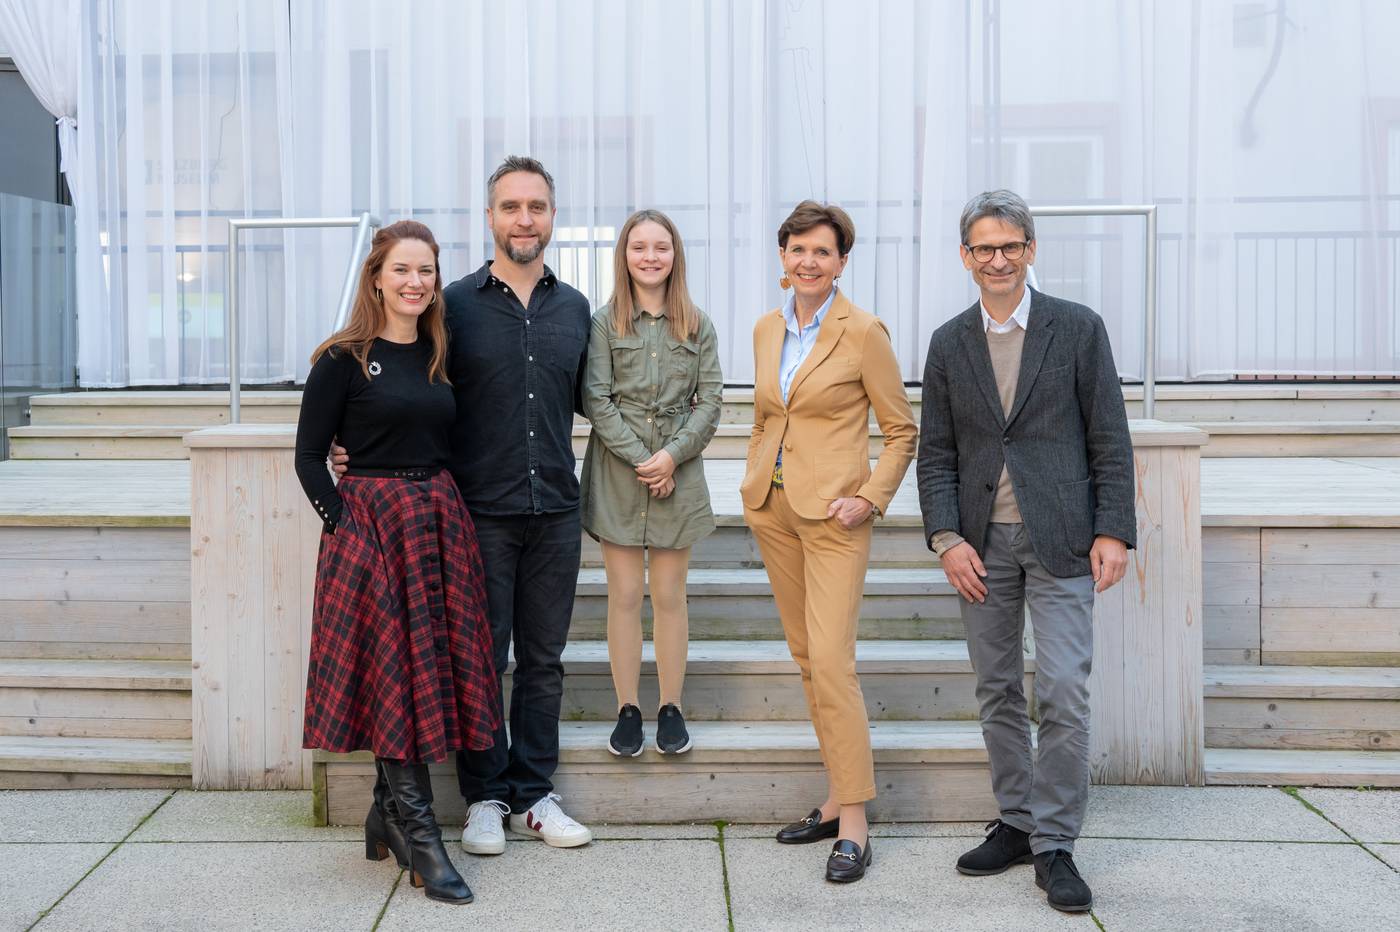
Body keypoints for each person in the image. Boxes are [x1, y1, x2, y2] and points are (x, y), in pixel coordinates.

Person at [917, 189, 1136, 913]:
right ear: (966, 258)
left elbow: (1109, 436)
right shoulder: (950, 343)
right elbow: (938, 453)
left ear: (1031, 250)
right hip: (981, 544)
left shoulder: (1076, 329)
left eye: (1010, 245)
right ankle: (1015, 822)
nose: (999, 258)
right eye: (984, 247)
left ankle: (1056, 844)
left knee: (1065, 691)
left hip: (1064, 538)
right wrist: (946, 538)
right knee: (998, 689)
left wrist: (1114, 529)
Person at [295, 220, 498, 906]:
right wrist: (343, 522)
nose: (416, 283)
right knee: (393, 676)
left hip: (436, 522)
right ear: (377, 277)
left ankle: (386, 812)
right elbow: (308, 455)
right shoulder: (342, 358)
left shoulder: (440, 353)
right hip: (371, 530)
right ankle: (419, 833)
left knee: (425, 671)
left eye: (427, 272)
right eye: (403, 270)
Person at [741, 200, 917, 883]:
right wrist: (757, 474)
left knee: (835, 664)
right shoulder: (765, 329)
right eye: (797, 249)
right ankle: (833, 796)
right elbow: (765, 414)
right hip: (774, 509)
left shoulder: (864, 331)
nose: (808, 261)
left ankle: (855, 823)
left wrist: (870, 497)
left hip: (836, 519)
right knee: (808, 658)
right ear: (782, 257)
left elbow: (901, 430)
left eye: (822, 251)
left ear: (841, 261)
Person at [580, 209, 723, 757]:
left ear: (674, 255)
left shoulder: (697, 324)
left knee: (668, 594)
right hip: (619, 473)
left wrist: (671, 457)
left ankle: (669, 706)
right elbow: (598, 398)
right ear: (624, 256)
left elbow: (710, 402)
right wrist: (645, 459)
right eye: (639, 246)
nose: (650, 256)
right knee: (623, 594)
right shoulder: (603, 322)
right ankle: (627, 709)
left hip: (678, 475)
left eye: (660, 247)